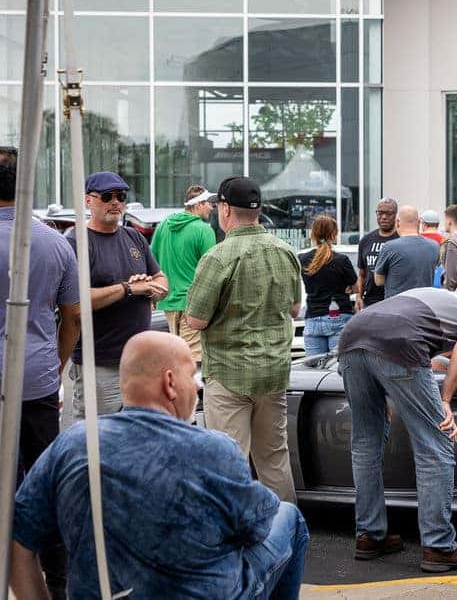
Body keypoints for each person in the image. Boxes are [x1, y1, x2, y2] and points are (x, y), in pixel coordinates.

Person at [8, 331, 308, 600]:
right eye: (192, 375)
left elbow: (17, 541)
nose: (198, 385)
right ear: (170, 383)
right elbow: (256, 530)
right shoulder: (215, 449)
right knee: (289, 517)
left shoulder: (73, 444)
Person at [338, 284, 457, 572]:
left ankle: (370, 536)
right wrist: (446, 397)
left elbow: (383, 330)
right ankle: (439, 546)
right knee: (436, 443)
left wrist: (377, 387)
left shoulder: (421, 295)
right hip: (397, 342)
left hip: (350, 338)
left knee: (365, 443)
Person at [186, 175, 302, 503]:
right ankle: (287, 535)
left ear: (224, 210)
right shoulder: (285, 251)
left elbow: (196, 319)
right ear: (258, 210)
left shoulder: (219, 257)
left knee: (230, 462)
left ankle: (234, 542)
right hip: (274, 372)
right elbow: (295, 309)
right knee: (274, 458)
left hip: (229, 373)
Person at [0, 147, 79, 598]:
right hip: (38, 382)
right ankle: (61, 582)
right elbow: (71, 318)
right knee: (46, 487)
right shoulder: (54, 241)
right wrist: (57, 366)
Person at [68, 171, 168, 420]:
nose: (115, 202)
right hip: (100, 363)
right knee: (97, 439)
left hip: (140, 360)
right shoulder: (78, 242)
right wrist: (129, 288)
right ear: (88, 201)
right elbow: (76, 304)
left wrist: (151, 285)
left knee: (135, 435)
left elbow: (162, 280)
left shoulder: (134, 237)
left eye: (121, 196)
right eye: (107, 196)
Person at [150, 184, 217, 366]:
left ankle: (177, 393)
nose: (212, 207)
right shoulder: (204, 230)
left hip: (169, 301)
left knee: (178, 354)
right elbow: (210, 271)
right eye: (209, 203)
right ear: (199, 204)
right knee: (193, 358)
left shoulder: (164, 225)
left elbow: (151, 260)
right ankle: (190, 394)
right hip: (194, 304)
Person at [300, 214, 357, 356]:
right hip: (339, 317)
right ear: (334, 234)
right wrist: (347, 290)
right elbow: (356, 288)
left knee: (313, 371)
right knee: (337, 370)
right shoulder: (341, 260)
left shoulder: (303, 259)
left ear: (313, 234)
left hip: (313, 318)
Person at [374, 205, 441, 299]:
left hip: (396, 306)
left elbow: (378, 281)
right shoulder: (434, 246)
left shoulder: (389, 247)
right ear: (418, 223)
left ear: (397, 222)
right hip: (423, 305)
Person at [355, 198, 399, 311]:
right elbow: (362, 274)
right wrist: (358, 297)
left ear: (395, 215)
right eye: (380, 213)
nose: (383, 217)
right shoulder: (366, 241)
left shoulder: (400, 239)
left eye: (388, 213)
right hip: (370, 302)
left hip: (395, 302)